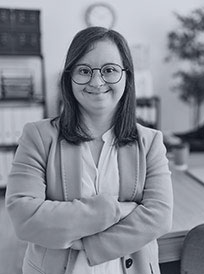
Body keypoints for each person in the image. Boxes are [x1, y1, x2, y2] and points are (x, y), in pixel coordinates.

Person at [5, 27, 173, 274]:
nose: (96, 81)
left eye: (109, 70)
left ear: (126, 76)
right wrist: (113, 210)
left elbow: (159, 217)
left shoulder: (150, 142)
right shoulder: (38, 136)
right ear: (69, 77)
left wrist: (87, 243)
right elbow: (24, 217)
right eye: (84, 71)